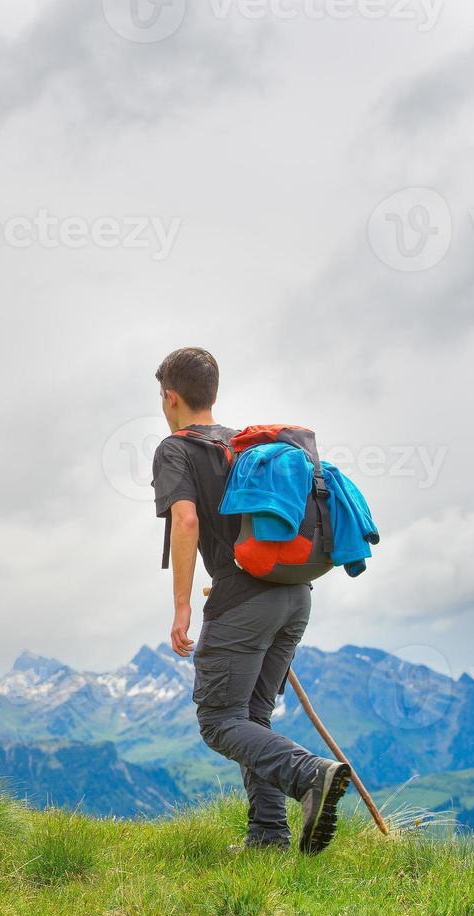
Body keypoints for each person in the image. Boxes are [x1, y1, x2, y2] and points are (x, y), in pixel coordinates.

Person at [150, 347, 350, 854]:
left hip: (243, 601)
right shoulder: (243, 446)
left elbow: (187, 521)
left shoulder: (175, 449)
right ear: (211, 395)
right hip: (293, 597)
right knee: (252, 719)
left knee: (220, 722)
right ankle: (267, 835)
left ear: (170, 397)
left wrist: (181, 607)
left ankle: (308, 776)